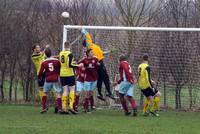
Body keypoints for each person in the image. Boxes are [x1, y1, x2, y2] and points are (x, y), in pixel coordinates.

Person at [81, 29, 114, 101]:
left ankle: (99, 93)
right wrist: (83, 31)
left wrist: (109, 51)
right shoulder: (89, 46)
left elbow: (101, 53)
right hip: (99, 63)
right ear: (87, 42)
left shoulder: (94, 47)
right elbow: (88, 36)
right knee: (106, 78)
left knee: (100, 79)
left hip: (98, 62)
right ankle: (108, 92)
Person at [37, 48, 62, 114]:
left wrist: (39, 76)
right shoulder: (57, 61)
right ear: (51, 53)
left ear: (45, 54)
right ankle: (59, 108)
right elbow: (60, 69)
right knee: (58, 93)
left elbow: (40, 72)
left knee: (45, 93)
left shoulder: (44, 62)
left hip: (48, 79)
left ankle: (44, 107)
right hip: (56, 79)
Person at [59, 41, 81, 114]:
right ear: (69, 46)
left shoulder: (61, 53)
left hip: (62, 74)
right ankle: (71, 107)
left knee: (65, 91)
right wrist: (78, 66)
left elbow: (63, 63)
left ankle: (64, 108)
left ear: (64, 46)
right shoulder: (70, 54)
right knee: (72, 90)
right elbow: (69, 65)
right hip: (69, 74)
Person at [79, 49, 100, 113]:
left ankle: (91, 106)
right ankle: (86, 108)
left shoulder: (95, 59)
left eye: (92, 52)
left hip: (94, 78)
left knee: (91, 93)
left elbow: (98, 65)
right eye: (91, 52)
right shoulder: (84, 60)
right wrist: (81, 67)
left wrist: (98, 65)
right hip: (87, 79)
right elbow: (78, 64)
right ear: (88, 53)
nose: (92, 53)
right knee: (87, 93)